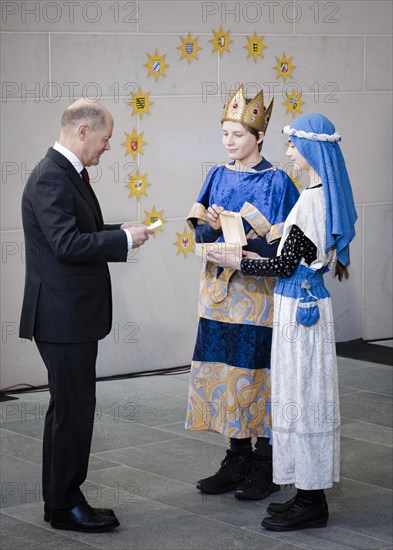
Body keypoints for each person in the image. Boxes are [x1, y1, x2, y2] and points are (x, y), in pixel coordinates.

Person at [208, 113, 357, 530]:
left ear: (311, 150)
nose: (288, 151)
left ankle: (311, 502)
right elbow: (293, 260)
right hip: (307, 303)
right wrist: (253, 259)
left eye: (294, 145)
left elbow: (287, 264)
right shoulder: (322, 193)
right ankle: (305, 495)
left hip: (300, 312)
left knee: (304, 400)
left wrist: (239, 261)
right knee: (303, 397)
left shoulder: (311, 199)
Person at [19, 99, 153, 533]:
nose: (108, 146)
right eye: (106, 137)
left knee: (67, 410)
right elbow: (67, 245)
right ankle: (65, 506)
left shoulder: (64, 174)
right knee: (74, 411)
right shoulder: (51, 178)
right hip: (62, 317)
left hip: (67, 314)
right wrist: (123, 243)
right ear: (82, 130)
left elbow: (79, 234)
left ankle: (60, 500)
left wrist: (121, 233)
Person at [185, 84, 299, 500]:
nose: (229, 142)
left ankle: (266, 462)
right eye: (225, 134)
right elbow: (197, 232)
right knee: (224, 371)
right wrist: (212, 228)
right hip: (218, 294)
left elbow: (293, 246)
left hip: (258, 296)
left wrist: (255, 246)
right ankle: (236, 456)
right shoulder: (216, 174)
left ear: (259, 137)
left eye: (237, 135)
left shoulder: (278, 182)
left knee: (256, 374)